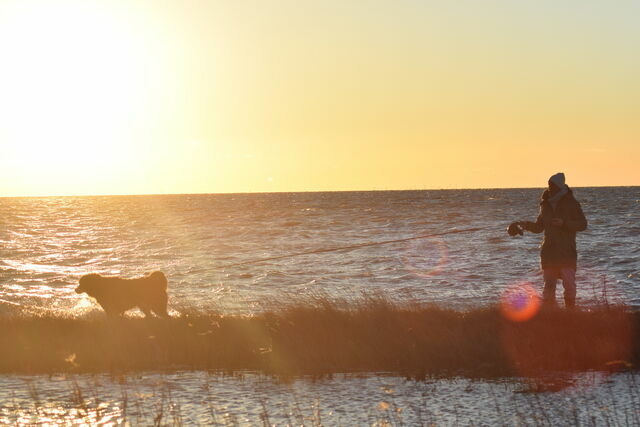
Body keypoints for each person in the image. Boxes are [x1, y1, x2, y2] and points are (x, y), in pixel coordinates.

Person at [511, 173, 587, 308]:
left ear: (560, 186)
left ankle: (570, 312)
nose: (550, 187)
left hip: (566, 251)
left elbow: (582, 224)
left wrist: (564, 223)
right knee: (548, 286)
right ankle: (550, 314)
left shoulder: (571, 203)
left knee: (569, 284)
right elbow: (539, 227)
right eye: (549, 184)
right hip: (549, 252)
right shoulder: (545, 204)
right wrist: (523, 224)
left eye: (552, 185)